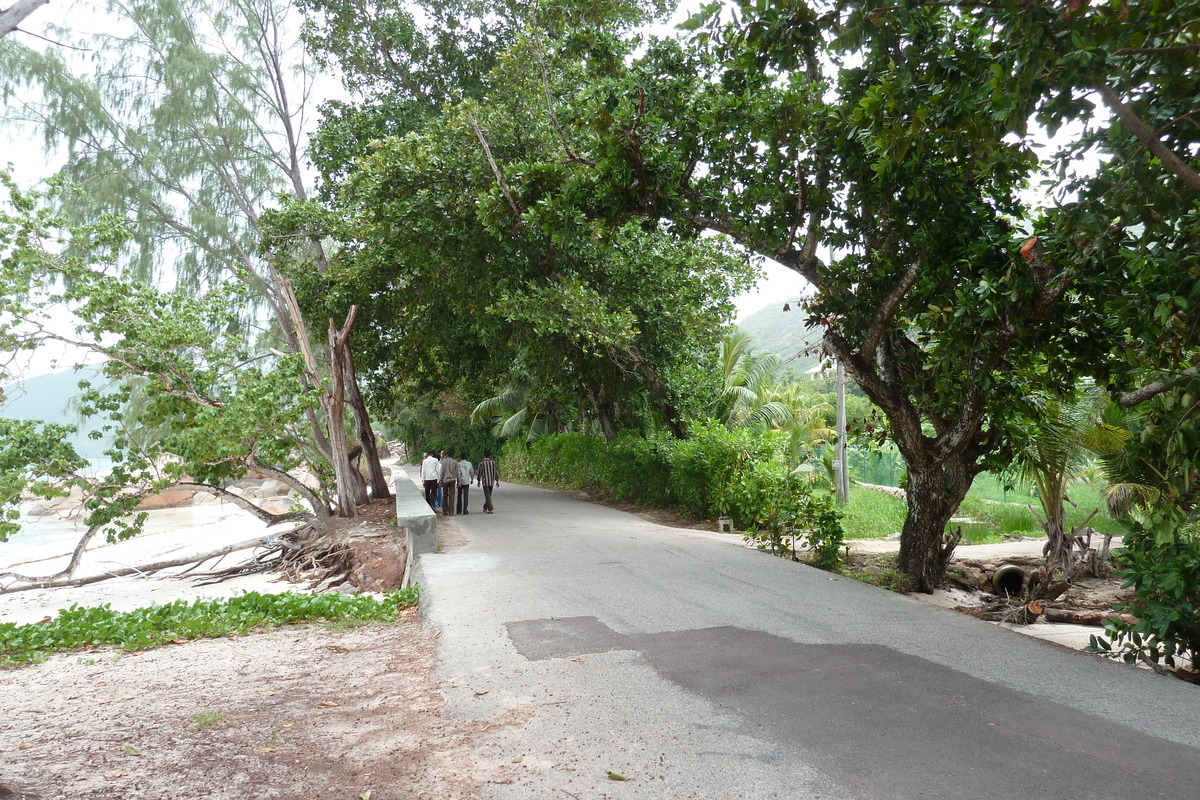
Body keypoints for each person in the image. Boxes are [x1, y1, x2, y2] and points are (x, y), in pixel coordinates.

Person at [439, 450, 459, 516]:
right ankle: (451, 512)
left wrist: (440, 480)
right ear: (452, 455)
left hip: (445, 480)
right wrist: (458, 480)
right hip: (452, 480)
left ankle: (445, 511)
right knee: (451, 496)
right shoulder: (455, 462)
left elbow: (441, 472)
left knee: (444, 495)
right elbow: (457, 472)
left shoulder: (443, 462)